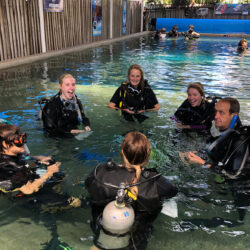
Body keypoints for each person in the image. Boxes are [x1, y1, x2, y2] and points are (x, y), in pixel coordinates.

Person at [85, 131, 178, 250]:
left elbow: (88, 185)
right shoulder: (156, 183)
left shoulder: (98, 173)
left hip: (101, 231)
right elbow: (173, 191)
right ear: (148, 155)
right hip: (135, 241)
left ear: (122, 151)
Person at [184, 97, 249, 179]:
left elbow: (234, 175)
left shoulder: (241, 140)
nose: (215, 116)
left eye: (221, 112)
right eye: (215, 111)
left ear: (233, 116)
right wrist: (195, 153)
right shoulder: (221, 133)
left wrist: (202, 163)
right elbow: (213, 150)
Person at [0, 124, 60, 195]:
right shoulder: (7, 167)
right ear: (5, 144)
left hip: (25, 177)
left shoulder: (13, 154)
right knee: (72, 201)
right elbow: (28, 190)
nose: (24, 142)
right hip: (21, 195)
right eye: (19, 140)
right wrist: (49, 173)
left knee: (59, 176)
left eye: (23, 137)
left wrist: (37, 160)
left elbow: (24, 162)